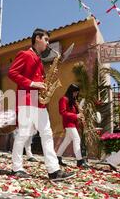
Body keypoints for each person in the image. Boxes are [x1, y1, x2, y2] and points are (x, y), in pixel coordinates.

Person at [8, 28, 74, 181]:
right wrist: (33, 83)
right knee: (23, 134)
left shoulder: (38, 59)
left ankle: (54, 170)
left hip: (39, 102)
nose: (47, 43)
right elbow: (12, 73)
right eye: (46, 40)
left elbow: (39, 80)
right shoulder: (25, 54)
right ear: (37, 38)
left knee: (47, 133)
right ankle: (16, 167)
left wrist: (45, 85)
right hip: (26, 99)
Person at [56, 84, 89, 168]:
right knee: (77, 139)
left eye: (77, 93)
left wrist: (79, 111)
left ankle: (57, 157)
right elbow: (62, 112)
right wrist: (76, 116)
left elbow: (75, 112)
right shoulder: (64, 99)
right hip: (68, 123)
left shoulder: (73, 101)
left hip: (73, 123)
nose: (76, 94)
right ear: (71, 91)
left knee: (67, 141)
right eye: (75, 92)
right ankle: (79, 161)